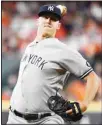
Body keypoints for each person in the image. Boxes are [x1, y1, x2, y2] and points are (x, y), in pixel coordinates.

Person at [7, 4, 100, 124]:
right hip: (14, 119)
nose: (48, 21)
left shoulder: (63, 50)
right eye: (45, 17)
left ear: (58, 25)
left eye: (53, 19)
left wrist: (85, 104)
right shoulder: (31, 45)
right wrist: (57, 9)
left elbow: (93, 78)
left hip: (45, 120)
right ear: (37, 21)